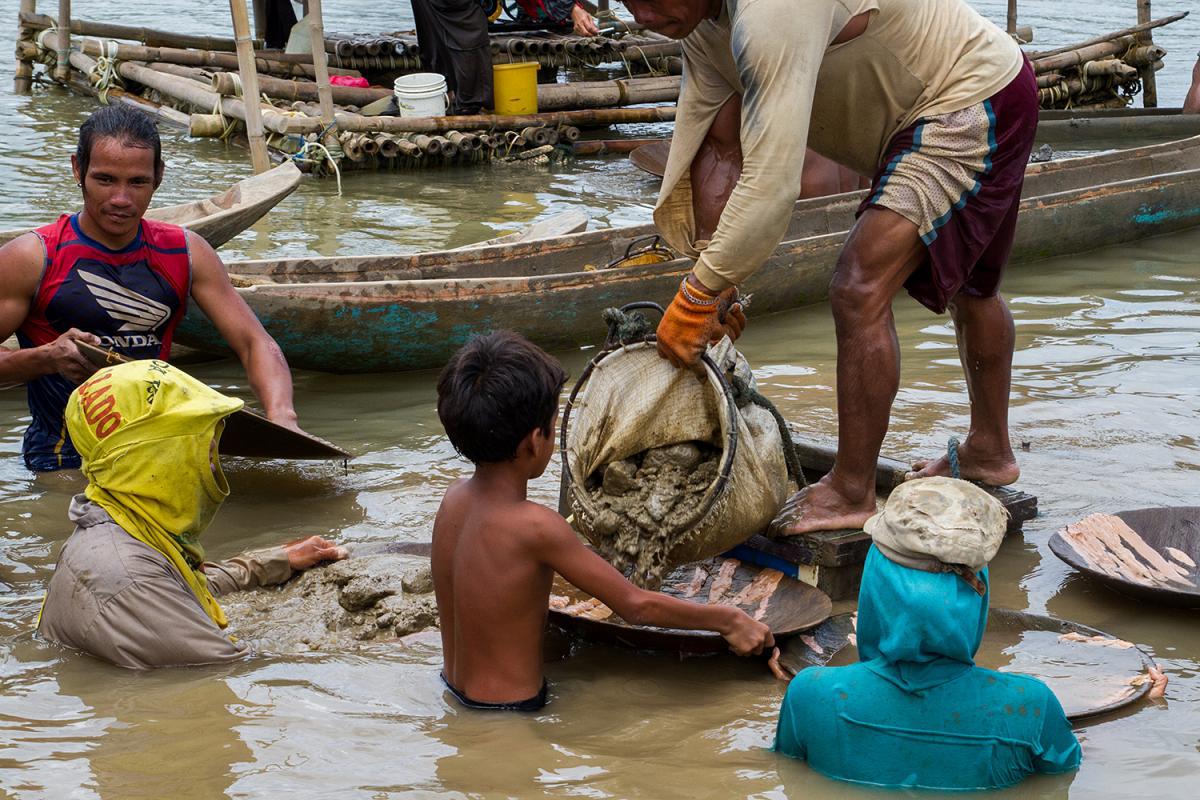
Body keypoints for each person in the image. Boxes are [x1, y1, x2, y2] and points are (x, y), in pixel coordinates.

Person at [625, 0, 1038, 534]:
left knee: (857, 287)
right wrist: (716, 281)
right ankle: (989, 450)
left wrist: (697, 293)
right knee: (974, 291)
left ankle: (850, 490)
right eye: (626, 2)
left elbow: (773, 183)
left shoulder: (773, 12)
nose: (639, 17)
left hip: (969, 98)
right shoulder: (704, 27)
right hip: (928, 115)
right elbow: (721, 148)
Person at [432, 330, 778, 711]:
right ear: (535, 441)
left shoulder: (452, 502)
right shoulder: (536, 527)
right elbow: (636, 606)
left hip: (454, 691)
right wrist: (728, 620)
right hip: (511, 712)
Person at [0, 104, 300, 473]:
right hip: (64, 459)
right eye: (105, 179)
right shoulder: (33, 257)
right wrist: (45, 357)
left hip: (155, 450)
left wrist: (283, 418)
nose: (121, 199)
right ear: (78, 170)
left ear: (158, 176)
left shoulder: (186, 252)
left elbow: (255, 343)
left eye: (137, 182)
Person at [775, 477, 1083, 790]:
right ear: (978, 596)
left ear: (876, 587)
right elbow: (1060, 780)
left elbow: (788, 777)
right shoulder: (1031, 707)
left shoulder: (810, 696)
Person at [38, 359, 346, 669]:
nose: (215, 465)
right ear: (154, 458)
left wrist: (274, 561)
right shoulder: (129, 578)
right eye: (203, 449)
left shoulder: (118, 525)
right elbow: (231, 666)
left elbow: (181, 587)